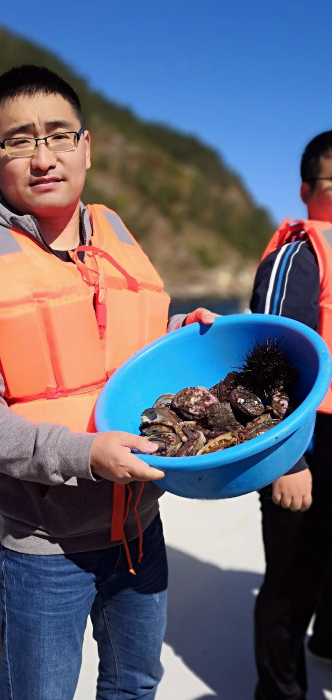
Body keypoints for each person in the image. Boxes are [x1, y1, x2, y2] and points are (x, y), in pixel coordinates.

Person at [0, 64, 215, 700]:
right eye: (18, 140)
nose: (42, 156)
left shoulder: (115, 240)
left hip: (141, 527)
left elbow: (126, 344)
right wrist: (82, 454)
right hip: (43, 548)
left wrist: (183, 332)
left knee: (135, 684)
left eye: (58, 135)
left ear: (85, 147)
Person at [250, 130, 332, 700]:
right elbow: (271, 363)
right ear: (307, 190)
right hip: (310, 439)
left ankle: (326, 642)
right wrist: (288, 459)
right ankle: (280, 694)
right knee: (291, 584)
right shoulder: (298, 255)